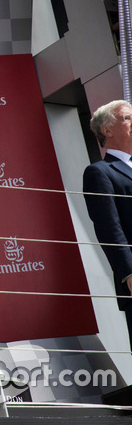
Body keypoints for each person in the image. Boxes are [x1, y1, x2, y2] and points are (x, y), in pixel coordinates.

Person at [83, 99, 132, 348]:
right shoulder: (100, 172)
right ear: (108, 130)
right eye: (127, 118)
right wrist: (128, 273)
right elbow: (109, 228)